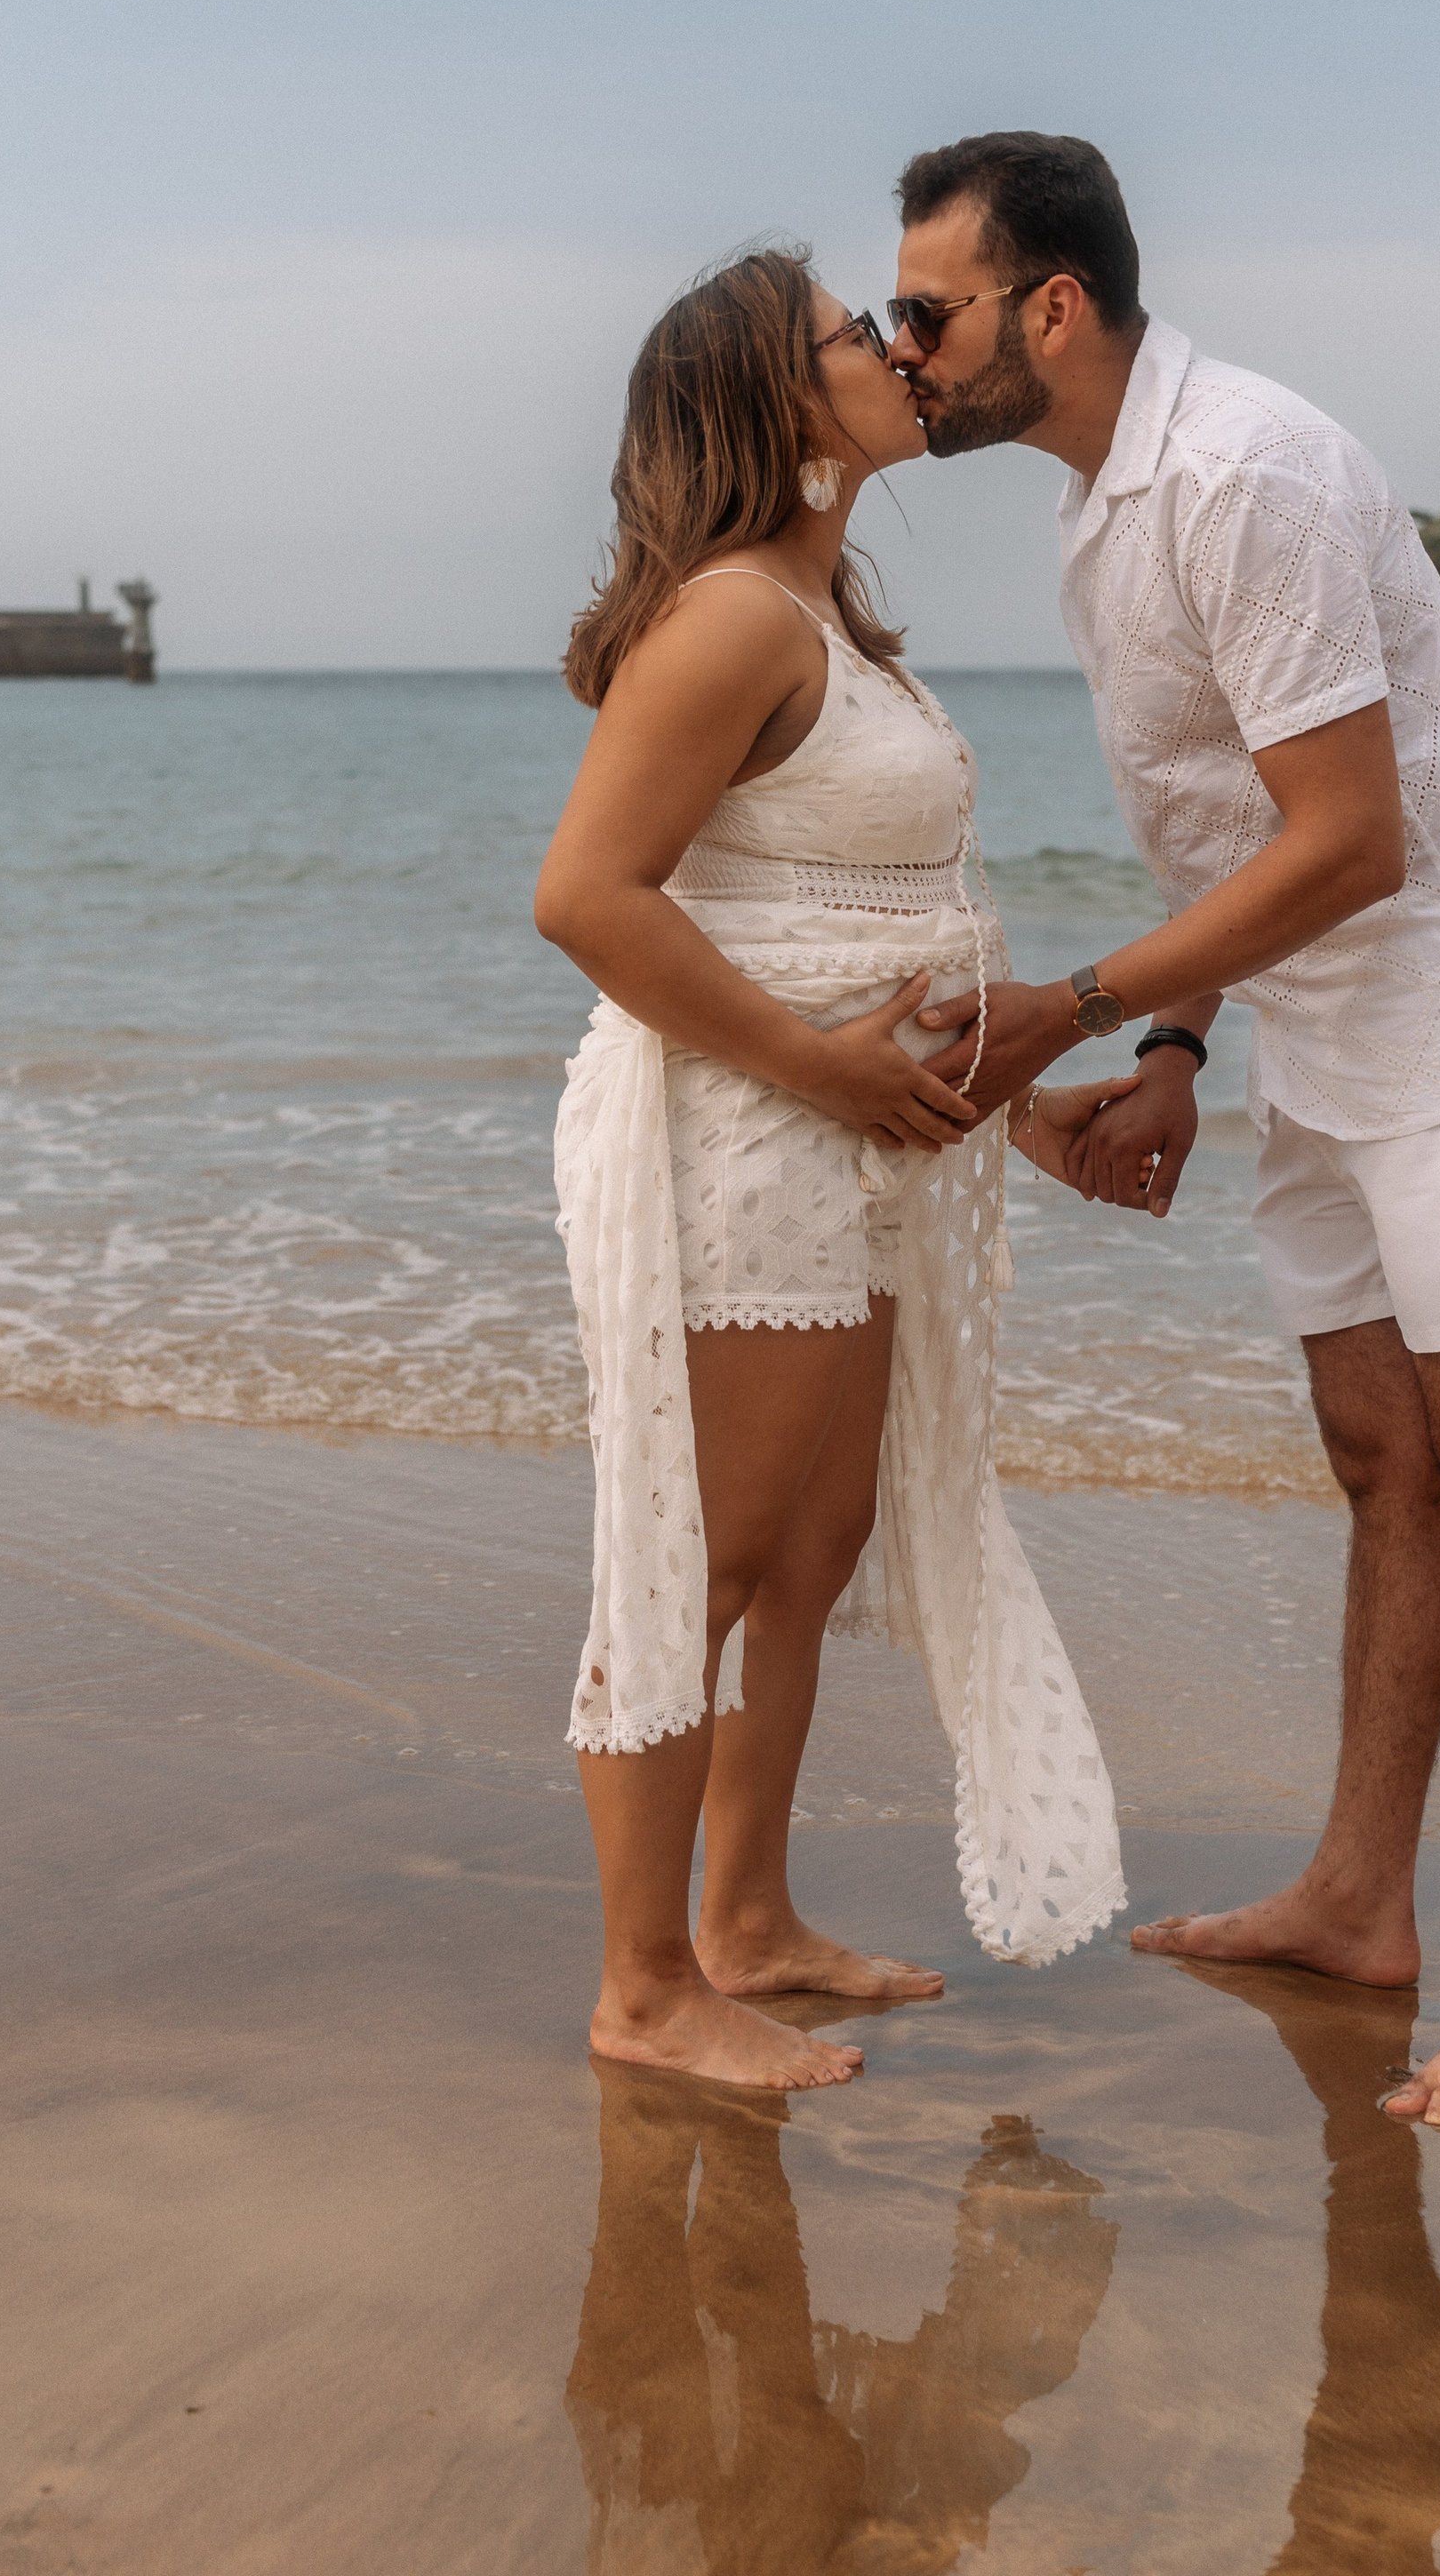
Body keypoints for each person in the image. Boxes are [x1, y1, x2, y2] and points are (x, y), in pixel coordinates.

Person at [886, 132, 1440, 2129]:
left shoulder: (1241, 472)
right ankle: (1356, 1898)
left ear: (1048, 307)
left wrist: (1079, 1004)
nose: (903, 352)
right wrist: (1181, 1055)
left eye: (924, 312)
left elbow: (1359, 838)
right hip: (1314, 1029)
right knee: (1383, 1457)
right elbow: (1243, 824)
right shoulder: (1101, 512)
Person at [535, 245, 1126, 2093]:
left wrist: (999, 1095)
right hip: (740, 1131)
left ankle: (746, 1921)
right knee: (700, 1559)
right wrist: (816, 1068)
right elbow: (584, 898)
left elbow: (885, 918)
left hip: (851, 1128)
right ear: (767, 402)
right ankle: (642, 1988)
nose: (889, 348)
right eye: (846, 336)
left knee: (813, 1546)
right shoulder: (728, 616)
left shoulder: (822, 606)